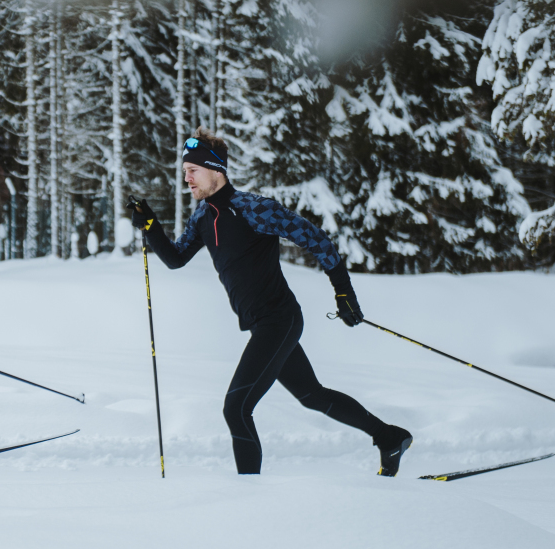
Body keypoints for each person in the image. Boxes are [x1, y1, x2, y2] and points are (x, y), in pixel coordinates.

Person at [128, 130, 413, 476]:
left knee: (236, 408)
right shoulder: (202, 219)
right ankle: (389, 437)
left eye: (193, 170)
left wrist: (343, 292)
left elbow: (314, 237)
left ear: (216, 170)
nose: (186, 177)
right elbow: (175, 258)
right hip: (265, 324)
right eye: (185, 170)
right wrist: (150, 227)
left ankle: (250, 498)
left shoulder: (252, 209)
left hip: (279, 320)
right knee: (312, 396)